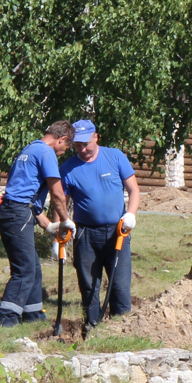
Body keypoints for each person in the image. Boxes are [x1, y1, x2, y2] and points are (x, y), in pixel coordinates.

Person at [59, 119, 141, 334]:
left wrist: (131, 214)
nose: (83, 150)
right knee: (89, 286)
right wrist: (61, 227)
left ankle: (122, 331)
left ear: (96, 137)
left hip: (117, 232)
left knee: (120, 286)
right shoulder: (68, 168)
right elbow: (61, 202)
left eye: (86, 144)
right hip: (85, 234)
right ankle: (92, 328)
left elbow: (134, 190)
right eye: (78, 145)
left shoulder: (114, 157)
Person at [0, 120, 74, 327]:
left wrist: (49, 226)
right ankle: (6, 319)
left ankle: (33, 315)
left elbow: (25, 195)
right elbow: (57, 193)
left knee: (34, 269)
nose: (62, 153)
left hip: (14, 212)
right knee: (25, 270)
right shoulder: (47, 153)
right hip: (17, 214)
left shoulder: (29, 149)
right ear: (62, 139)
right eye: (66, 148)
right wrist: (65, 220)